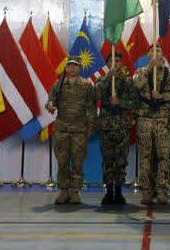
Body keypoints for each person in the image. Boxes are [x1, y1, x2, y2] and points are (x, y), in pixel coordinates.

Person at [133, 43, 170, 204]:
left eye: (158, 50)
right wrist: (149, 68)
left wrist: (162, 96)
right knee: (145, 156)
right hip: (145, 119)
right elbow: (136, 86)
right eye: (152, 50)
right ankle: (146, 190)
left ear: (162, 54)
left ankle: (162, 189)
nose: (155, 53)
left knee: (164, 156)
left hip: (162, 120)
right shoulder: (141, 72)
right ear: (148, 54)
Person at [45, 56, 97, 204]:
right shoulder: (59, 84)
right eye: (70, 66)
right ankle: (63, 191)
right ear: (66, 67)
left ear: (80, 68)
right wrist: (50, 106)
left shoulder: (86, 85)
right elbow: (50, 100)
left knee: (78, 162)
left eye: (75, 66)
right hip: (62, 129)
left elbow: (91, 108)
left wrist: (91, 126)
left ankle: (75, 192)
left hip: (79, 130)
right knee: (62, 161)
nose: (72, 68)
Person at [93, 52, 139, 205]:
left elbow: (135, 102)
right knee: (107, 160)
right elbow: (94, 94)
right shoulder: (101, 80)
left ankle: (118, 192)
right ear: (107, 64)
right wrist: (107, 78)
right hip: (106, 125)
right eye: (111, 61)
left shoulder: (127, 82)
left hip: (121, 125)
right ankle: (109, 192)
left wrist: (120, 102)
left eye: (117, 61)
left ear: (121, 64)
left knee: (120, 161)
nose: (114, 63)